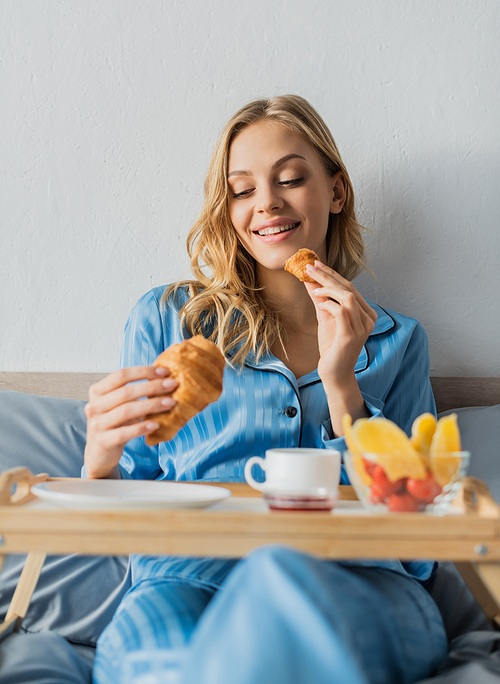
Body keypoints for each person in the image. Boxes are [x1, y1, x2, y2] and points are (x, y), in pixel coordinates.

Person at [84, 95, 448, 684]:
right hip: (184, 578)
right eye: (242, 189)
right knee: (162, 669)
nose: (267, 203)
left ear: (336, 191)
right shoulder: (168, 320)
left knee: (274, 579)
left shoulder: (398, 343)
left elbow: (419, 539)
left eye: (291, 179)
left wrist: (341, 387)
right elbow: (121, 515)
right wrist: (98, 462)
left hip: (364, 584)